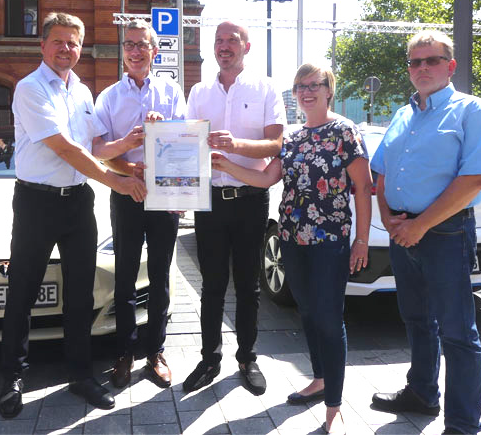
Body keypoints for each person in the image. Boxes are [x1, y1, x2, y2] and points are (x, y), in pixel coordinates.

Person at [0, 12, 147, 418]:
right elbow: (64, 147)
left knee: (80, 293)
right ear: (43, 45)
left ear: (81, 48)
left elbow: (95, 148)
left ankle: (80, 375)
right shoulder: (30, 88)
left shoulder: (81, 91)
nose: (66, 49)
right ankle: (12, 378)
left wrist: (129, 158)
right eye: (59, 41)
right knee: (23, 291)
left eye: (73, 43)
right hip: (37, 202)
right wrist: (115, 183)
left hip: (78, 202)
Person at [213, 63, 372, 433]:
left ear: (329, 89)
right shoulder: (294, 138)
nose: (307, 91)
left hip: (330, 242)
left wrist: (361, 240)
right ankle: (320, 379)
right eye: (300, 86)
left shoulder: (345, 131)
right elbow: (266, 178)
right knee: (309, 312)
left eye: (314, 85)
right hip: (291, 240)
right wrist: (225, 166)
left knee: (329, 319)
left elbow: (363, 188)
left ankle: (334, 405)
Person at [370, 31, 481, 435]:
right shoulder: (402, 114)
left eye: (432, 60)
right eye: (415, 61)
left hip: (445, 233)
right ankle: (422, 392)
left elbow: (476, 177)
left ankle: (462, 424)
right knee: (416, 318)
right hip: (402, 231)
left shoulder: (471, 110)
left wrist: (420, 224)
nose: (422, 67)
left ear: (451, 66)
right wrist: (389, 218)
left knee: (457, 331)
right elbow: (382, 172)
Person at [182, 21, 285, 396]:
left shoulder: (266, 88)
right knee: (211, 286)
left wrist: (235, 145)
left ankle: (247, 358)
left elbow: (276, 144)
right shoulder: (199, 91)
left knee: (247, 285)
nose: (224, 46)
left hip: (250, 201)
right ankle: (209, 359)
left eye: (232, 40)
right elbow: (185, 144)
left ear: (247, 46)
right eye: (219, 40)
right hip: (209, 202)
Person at [95, 21, 186, 389]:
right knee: (126, 276)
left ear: (154, 51)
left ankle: (155, 352)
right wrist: (128, 147)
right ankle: (124, 353)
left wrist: (164, 128)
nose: (135, 51)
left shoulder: (171, 91)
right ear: (123, 51)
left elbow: (185, 143)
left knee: (161, 276)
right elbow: (99, 150)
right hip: (126, 193)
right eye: (129, 44)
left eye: (142, 45)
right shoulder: (109, 97)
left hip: (164, 195)